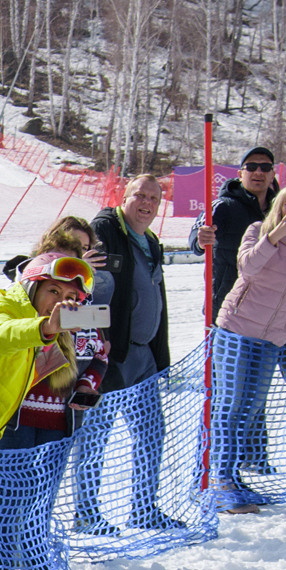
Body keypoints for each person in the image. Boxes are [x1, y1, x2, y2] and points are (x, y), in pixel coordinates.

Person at [77, 177, 207, 533]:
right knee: (95, 436)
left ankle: (143, 508)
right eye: (140, 195)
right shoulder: (105, 227)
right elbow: (76, 266)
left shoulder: (150, 240)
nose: (147, 203)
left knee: (151, 433)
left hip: (144, 355)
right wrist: (79, 262)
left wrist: (160, 355)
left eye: (154, 198)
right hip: (108, 355)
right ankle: (86, 512)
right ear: (125, 197)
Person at [0, 252, 99, 570]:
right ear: (31, 286)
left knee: (30, 497)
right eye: (53, 291)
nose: (59, 303)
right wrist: (46, 327)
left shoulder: (49, 330)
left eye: (70, 298)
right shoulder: (5, 303)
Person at [209, 183, 286, 512]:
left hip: (272, 336)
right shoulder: (259, 229)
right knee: (229, 407)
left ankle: (231, 476)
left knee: (250, 408)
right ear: (278, 205)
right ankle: (217, 480)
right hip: (237, 329)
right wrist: (274, 238)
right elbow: (247, 266)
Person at [204, 148, 279, 324]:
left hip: (267, 311)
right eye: (251, 167)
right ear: (240, 174)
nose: (258, 172)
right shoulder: (224, 205)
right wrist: (200, 239)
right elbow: (200, 230)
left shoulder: (279, 211)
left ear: (272, 174)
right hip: (228, 310)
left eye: (265, 167)